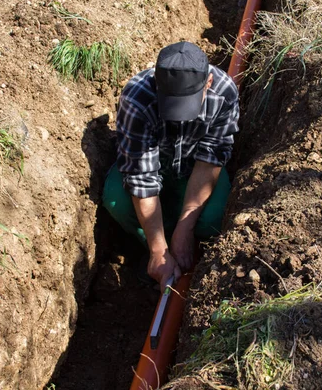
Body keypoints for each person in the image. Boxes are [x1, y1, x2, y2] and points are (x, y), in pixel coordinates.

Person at [102, 41, 239, 289]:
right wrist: (158, 248)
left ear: (207, 83)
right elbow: (142, 178)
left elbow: (209, 162)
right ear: (157, 82)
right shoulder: (137, 99)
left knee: (215, 217)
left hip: (194, 168)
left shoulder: (224, 93)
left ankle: (191, 246)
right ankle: (157, 252)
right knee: (116, 201)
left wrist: (185, 230)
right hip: (156, 165)